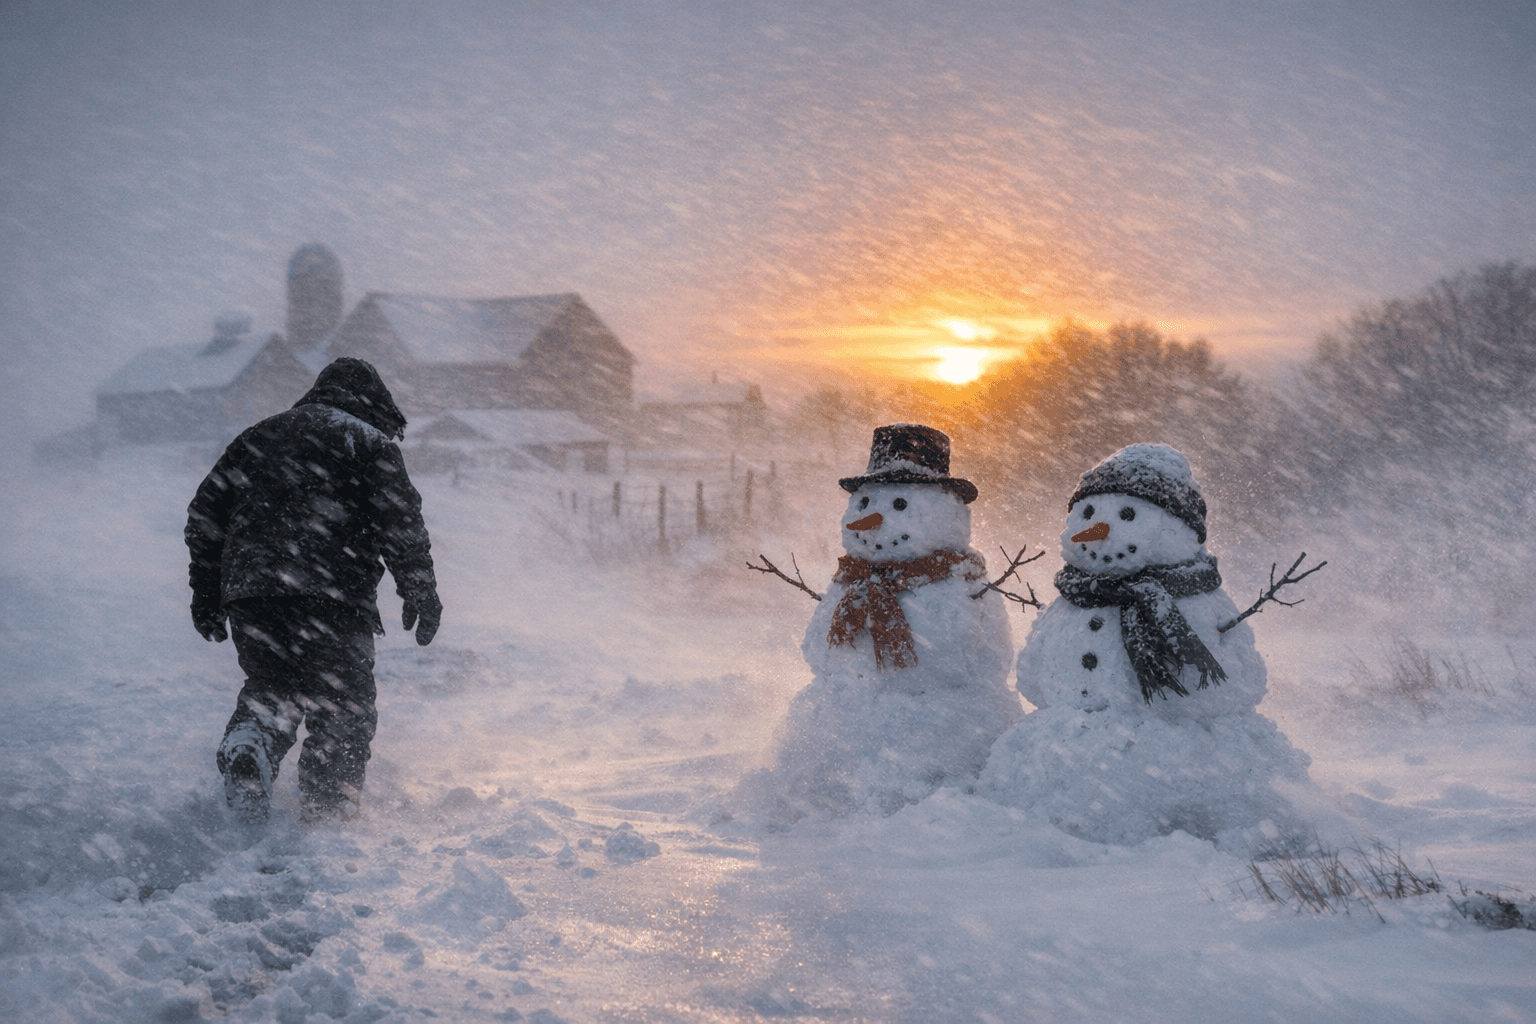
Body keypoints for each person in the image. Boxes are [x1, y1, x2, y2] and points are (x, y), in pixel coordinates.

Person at [185, 357, 441, 824]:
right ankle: (326, 809)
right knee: (342, 702)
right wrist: (420, 589)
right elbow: (399, 522)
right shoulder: (367, 442)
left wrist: (207, 593)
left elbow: (205, 517)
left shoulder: (256, 438)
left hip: (254, 597)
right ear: (374, 404)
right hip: (333, 595)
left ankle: (251, 744)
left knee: (272, 686)